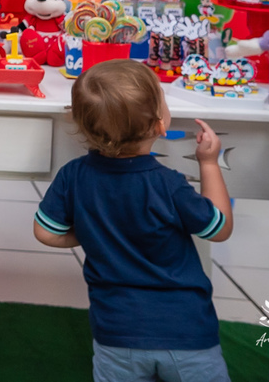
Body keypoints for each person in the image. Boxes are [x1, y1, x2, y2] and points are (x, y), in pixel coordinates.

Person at [33, 60, 234, 382]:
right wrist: (209, 163)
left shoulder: (74, 176)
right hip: (187, 330)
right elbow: (220, 228)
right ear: (159, 126)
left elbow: (46, 232)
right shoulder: (169, 184)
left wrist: (89, 232)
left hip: (116, 332)